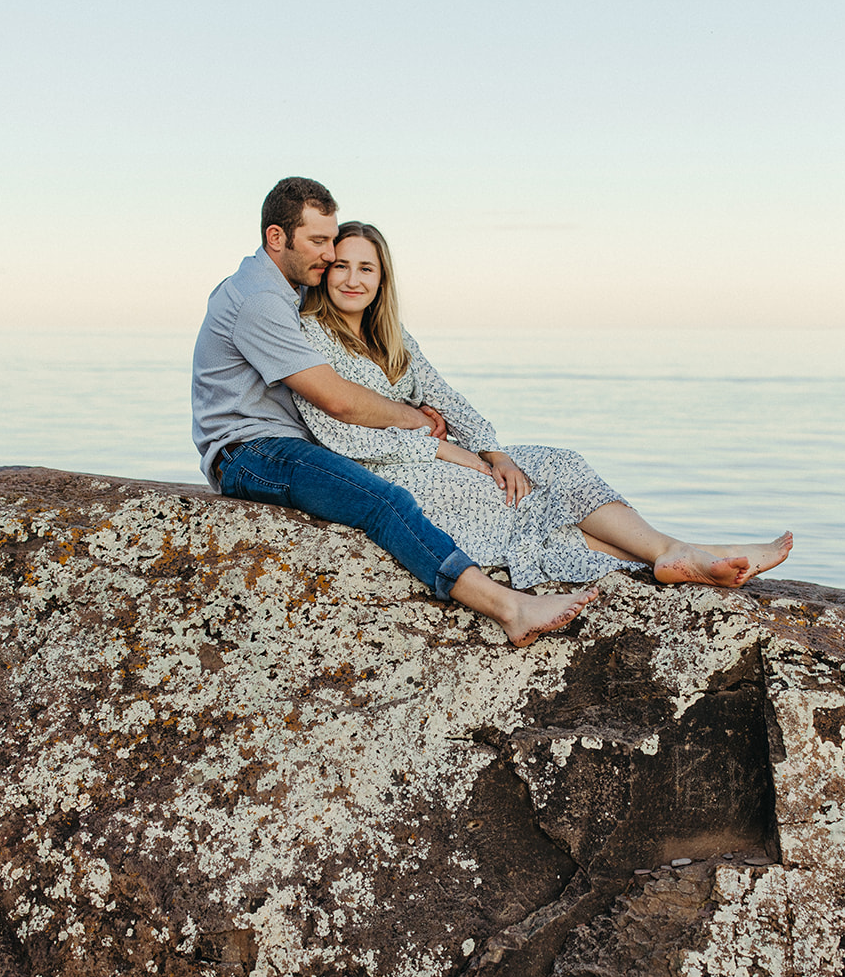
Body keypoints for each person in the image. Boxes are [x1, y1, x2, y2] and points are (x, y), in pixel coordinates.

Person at [192, 178, 597, 646]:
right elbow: (336, 398)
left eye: (332, 241)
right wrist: (414, 418)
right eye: (319, 242)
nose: (328, 257)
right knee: (382, 502)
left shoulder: (287, 290)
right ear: (277, 238)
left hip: (280, 447)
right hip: (251, 454)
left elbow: (362, 368)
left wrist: (442, 424)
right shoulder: (260, 300)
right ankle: (510, 607)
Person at [293, 221, 794, 589]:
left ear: (383, 278)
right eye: (341, 266)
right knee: (515, 500)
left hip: (439, 454)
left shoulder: (393, 338)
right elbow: (341, 432)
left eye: (367, 268)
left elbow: (449, 400)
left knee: (554, 463)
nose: (353, 279)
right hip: (385, 475)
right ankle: (687, 554)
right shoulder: (310, 334)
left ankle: (673, 552)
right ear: (325, 272)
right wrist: (451, 454)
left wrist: (493, 452)